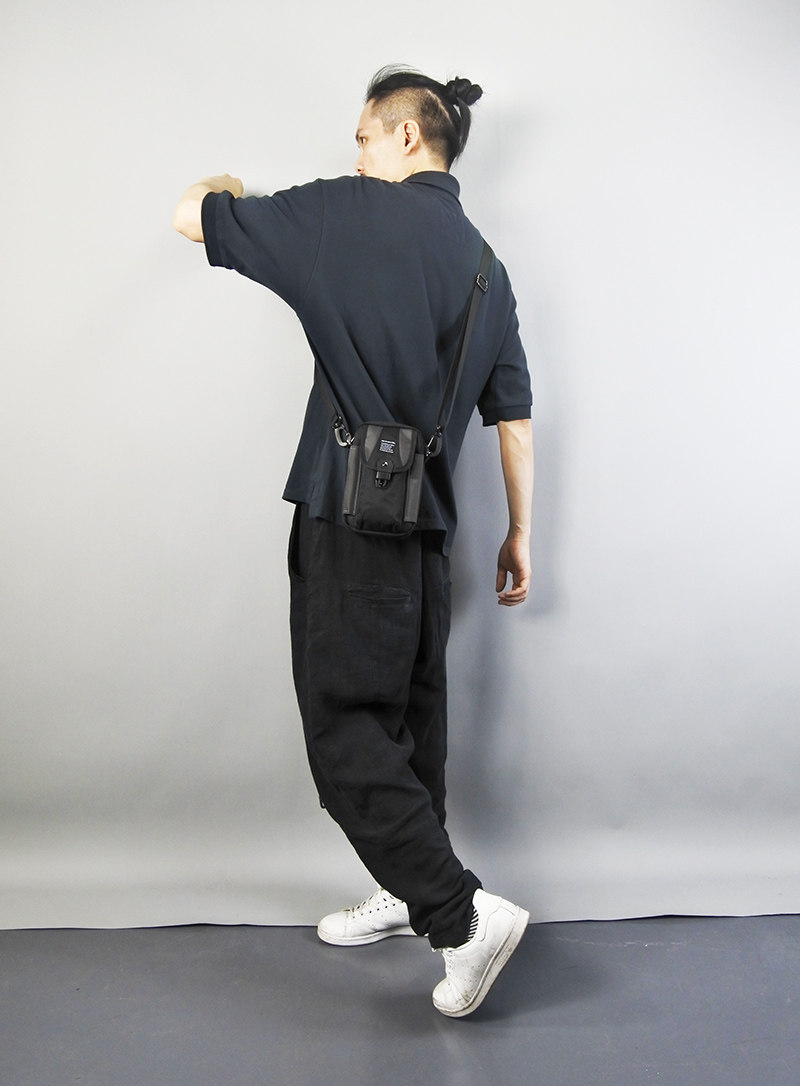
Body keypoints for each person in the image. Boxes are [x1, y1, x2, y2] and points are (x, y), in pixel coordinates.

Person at [173, 66, 534, 1018]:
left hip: (350, 516)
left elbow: (190, 215)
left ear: (407, 136)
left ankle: (460, 916)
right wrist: (520, 534)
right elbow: (514, 419)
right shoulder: (489, 268)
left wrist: (228, 185)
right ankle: (407, 891)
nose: (358, 155)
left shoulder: (342, 213)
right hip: (429, 534)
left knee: (346, 733)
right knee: (413, 727)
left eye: (366, 138)